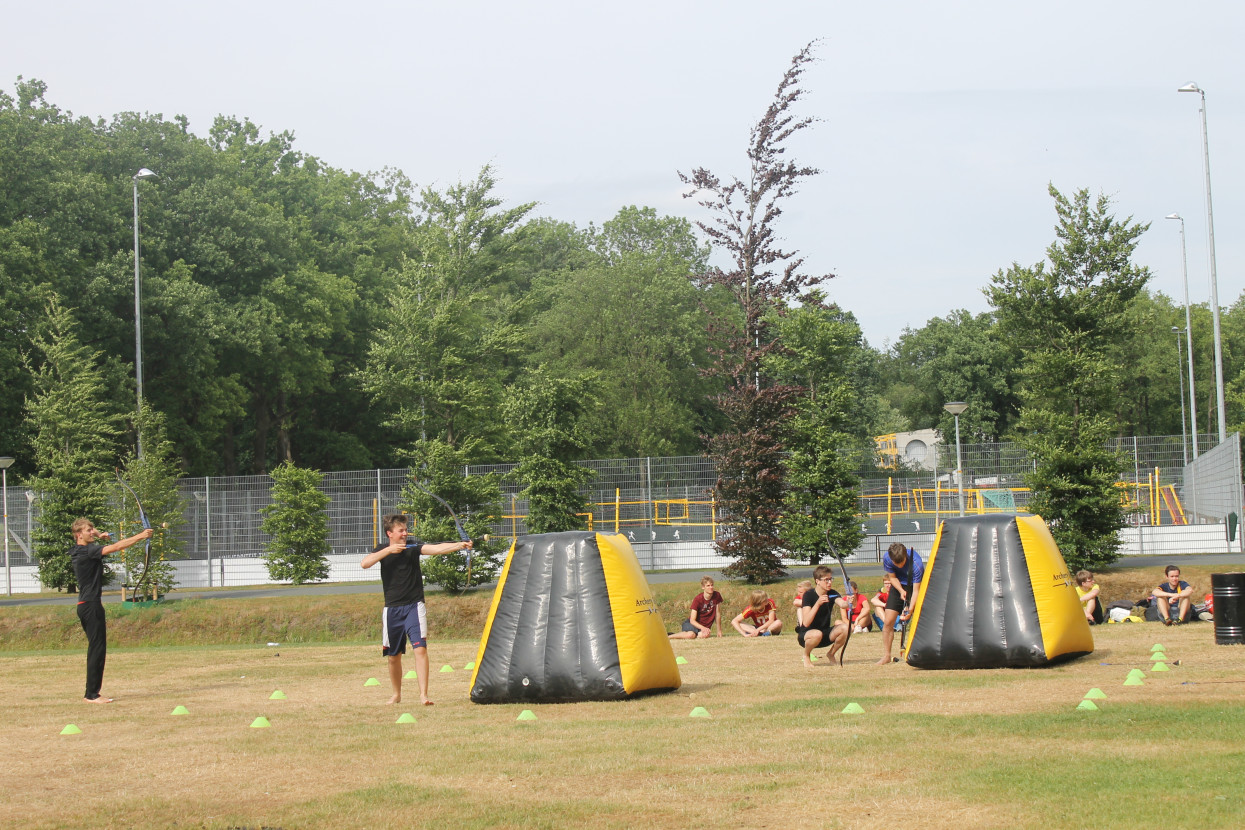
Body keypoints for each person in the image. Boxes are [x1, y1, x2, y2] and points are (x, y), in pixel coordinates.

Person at [360, 513, 472, 705]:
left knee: (420, 649)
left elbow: (436, 549)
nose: (405, 533)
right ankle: (396, 695)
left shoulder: (412, 547)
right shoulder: (382, 549)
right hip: (392, 610)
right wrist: (389, 550)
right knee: (393, 656)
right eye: (400, 530)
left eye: (405, 530)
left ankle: (423, 695)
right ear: (390, 533)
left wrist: (460, 545)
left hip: (414, 606)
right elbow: (365, 563)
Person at [69, 517, 154, 703]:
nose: (92, 532)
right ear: (78, 535)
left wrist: (99, 533)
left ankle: (92, 693)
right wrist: (141, 536)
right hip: (91, 606)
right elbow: (116, 547)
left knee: (97, 648)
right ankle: (91, 694)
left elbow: (92, 534)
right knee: (97, 649)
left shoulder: (77, 550)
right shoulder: (89, 551)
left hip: (85, 606)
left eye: (92, 529)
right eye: (88, 530)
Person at [876, 543, 924, 665]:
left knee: (919, 620)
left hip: (914, 586)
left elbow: (917, 591)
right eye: (896, 564)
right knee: (888, 622)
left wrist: (910, 609)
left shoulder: (917, 565)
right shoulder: (887, 558)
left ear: (905, 557)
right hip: (898, 585)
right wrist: (901, 591)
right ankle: (887, 655)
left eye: (902, 562)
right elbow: (892, 577)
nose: (900, 565)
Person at [796, 565, 849, 668]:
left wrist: (848, 602)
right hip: (807, 635)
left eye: (830, 579)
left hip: (825, 634)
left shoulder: (832, 593)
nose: (830, 582)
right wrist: (818, 603)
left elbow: (842, 603)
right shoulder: (808, 595)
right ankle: (806, 655)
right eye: (826, 580)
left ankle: (831, 654)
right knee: (817, 634)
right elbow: (806, 622)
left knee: (845, 628)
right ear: (817, 581)